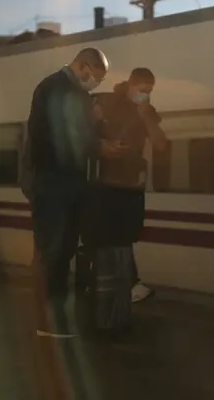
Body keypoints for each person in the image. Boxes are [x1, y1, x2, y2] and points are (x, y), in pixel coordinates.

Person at [27, 47, 123, 338]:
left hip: (66, 183)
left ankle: (53, 316)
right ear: (83, 66)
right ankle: (47, 321)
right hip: (53, 183)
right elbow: (59, 135)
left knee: (62, 249)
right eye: (97, 76)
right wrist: (98, 146)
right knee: (53, 251)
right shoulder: (54, 88)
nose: (96, 83)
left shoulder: (71, 92)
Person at [90, 68, 167, 306]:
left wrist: (145, 116)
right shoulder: (107, 101)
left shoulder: (148, 111)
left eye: (149, 91)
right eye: (141, 90)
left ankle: (121, 283)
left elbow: (161, 144)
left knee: (123, 237)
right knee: (107, 236)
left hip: (131, 183)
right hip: (104, 182)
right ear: (131, 84)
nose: (144, 95)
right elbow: (83, 129)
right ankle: (114, 283)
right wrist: (102, 145)